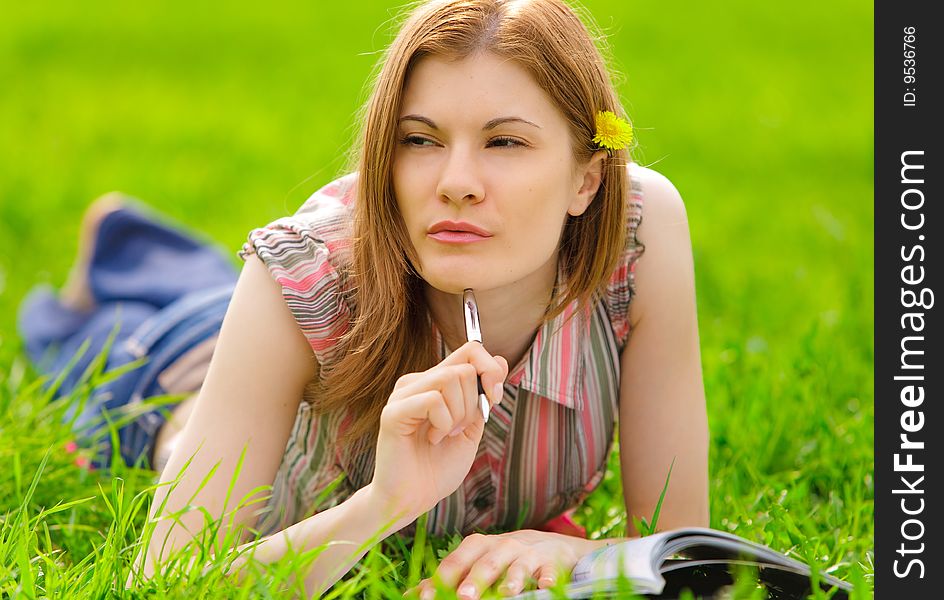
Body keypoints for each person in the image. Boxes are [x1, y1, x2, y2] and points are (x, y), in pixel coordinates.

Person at [17, 0, 709, 597]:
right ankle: (121, 243)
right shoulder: (302, 271)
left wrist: (590, 555)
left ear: (586, 181)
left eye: (504, 141)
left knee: (208, 291)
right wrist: (384, 503)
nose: (456, 182)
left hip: (267, 318)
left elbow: (682, 547)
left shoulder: (640, 235)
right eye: (419, 140)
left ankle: (141, 243)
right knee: (80, 344)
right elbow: (163, 585)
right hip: (175, 376)